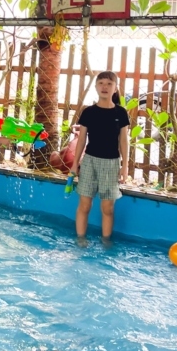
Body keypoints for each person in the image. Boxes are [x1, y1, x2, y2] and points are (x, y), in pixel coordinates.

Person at [70, 71, 130, 241]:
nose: (105, 87)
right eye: (101, 83)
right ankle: (80, 240)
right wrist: (75, 164)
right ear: (96, 87)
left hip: (111, 163)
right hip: (89, 161)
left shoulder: (121, 113)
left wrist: (124, 166)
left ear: (115, 88)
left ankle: (106, 242)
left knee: (108, 207)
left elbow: (124, 141)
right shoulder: (88, 112)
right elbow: (81, 140)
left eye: (109, 84)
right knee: (84, 204)